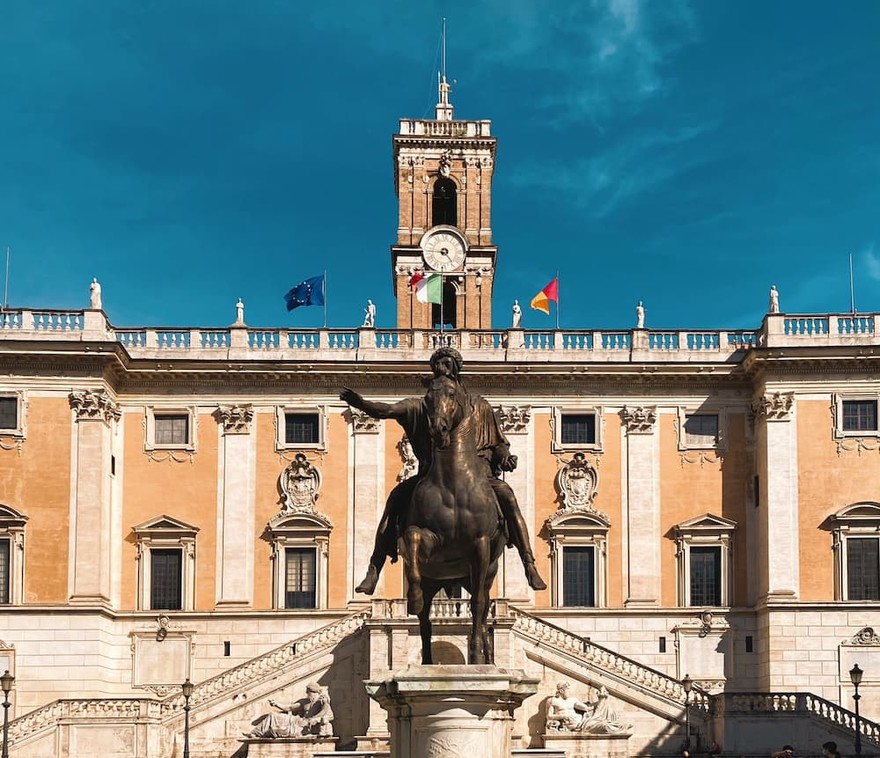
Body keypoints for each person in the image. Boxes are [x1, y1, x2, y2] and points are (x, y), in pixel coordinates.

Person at [340, 346, 547, 594]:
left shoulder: (479, 406)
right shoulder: (423, 406)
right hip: (430, 474)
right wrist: (361, 403)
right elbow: (387, 411)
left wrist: (505, 458)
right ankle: (374, 569)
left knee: (508, 498)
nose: (441, 368)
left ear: (456, 372)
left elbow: (498, 443)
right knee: (395, 500)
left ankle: (529, 564)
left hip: (481, 476)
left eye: (447, 364)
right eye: (437, 365)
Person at [245, 682, 333, 739]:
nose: (307, 693)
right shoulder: (304, 702)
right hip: (297, 720)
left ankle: (261, 733)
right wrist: (276, 704)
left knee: (279, 726)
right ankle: (255, 733)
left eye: (308, 692)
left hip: (304, 725)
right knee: (273, 715)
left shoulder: (322, 701)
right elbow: (289, 708)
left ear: (313, 692)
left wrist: (324, 705)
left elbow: (329, 715)